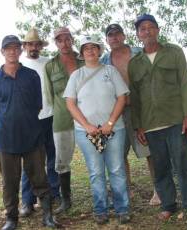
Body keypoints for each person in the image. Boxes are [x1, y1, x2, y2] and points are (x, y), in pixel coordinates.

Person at [128, 14, 187, 223]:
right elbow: (134, 96)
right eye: (143, 29)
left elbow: (185, 83)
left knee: (184, 165)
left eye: (151, 27)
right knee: (160, 169)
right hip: (150, 126)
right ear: (138, 34)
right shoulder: (134, 63)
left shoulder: (174, 52)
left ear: (158, 30)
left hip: (176, 120)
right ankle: (168, 204)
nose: (147, 31)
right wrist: (138, 126)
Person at [0, 35, 59, 230]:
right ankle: (11, 219)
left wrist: (25, 122)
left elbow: (38, 105)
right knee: (9, 183)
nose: (12, 51)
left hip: (32, 137)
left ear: (20, 50)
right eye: (8, 48)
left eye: (15, 47)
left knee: (40, 178)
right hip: (5, 140)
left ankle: (47, 216)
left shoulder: (31, 76)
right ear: (2, 52)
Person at [63, 35, 130, 225]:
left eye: (94, 47)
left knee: (117, 170)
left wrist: (109, 124)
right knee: (96, 172)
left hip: (114, 129)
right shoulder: (77, 75)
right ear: (82, 54)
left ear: (100, 51)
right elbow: (70, 103)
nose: (91, 51)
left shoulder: (111, 71)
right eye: (86, 48)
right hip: (86, 132)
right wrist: (87, 126)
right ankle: (100, 210)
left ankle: (122, 209)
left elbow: (121, 98)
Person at [100, 23, 161, 206]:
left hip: (140, 109)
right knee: (119, 153)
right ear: (107, 39)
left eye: (117, 34)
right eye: (111, 35)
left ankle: (158, 190)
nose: (115, 38)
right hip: (117, 111)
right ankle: (126, 190)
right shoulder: (103, 61)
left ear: (124, 36)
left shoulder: (138, 52)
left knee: (148, 150)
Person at [18, 28, 61, 218]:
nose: (33, 47)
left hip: (50, 117)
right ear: (25, 46)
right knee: (31, 163)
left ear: (40, 46)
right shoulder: (19, 65)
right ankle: (27, 201)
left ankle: (53, 194)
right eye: (30, 44)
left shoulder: (48, 63)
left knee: (53, 159)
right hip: (30, 121)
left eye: (37, 44)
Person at [43, 27, 85, 214]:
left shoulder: (83, 60)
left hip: (87, 117)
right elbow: (49, 95)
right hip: (62, 118)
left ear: (72, 40)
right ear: (56, 43)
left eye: (67, 39)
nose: (64, 43)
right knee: (61, 160)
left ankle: (103, 193)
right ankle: (66, 199)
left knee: (97, 154)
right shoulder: (50, 66)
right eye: (60, 40)